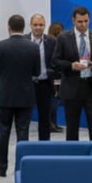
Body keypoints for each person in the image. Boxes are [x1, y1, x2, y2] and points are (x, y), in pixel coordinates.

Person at [0, 14, 40, 176]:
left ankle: (1, 168)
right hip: (25, 96)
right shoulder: (33, 47)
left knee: (3, 133)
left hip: (4, 96)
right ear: (24, 27)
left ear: (8, 27)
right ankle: (21, 168)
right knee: (23, 133)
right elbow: (37, 72)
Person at [52, 6, 92, 141]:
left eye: (86, 21)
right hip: (72, 89)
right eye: (80, 22)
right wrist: (71, 66)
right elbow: (55, 61)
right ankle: (73, 157)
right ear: (73, 21)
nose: (83, 24)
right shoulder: (63, 38)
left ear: (89, 20)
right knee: (72, 128)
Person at [28, 13, 58, 141]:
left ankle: (44, 145)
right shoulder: (24, 41)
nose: (38, 27)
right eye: (35, 24)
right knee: (24, 118)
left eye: (41, 25)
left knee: (45, 118)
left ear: (45, 26)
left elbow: (56, 62)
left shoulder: (52, 42)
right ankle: (24, 145)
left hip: (45, 84)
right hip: (27, 85)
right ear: (30, 25)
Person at [46, 22, 65, 133]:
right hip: (54, 75)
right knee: (54, 99)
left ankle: (53, 123)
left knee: (54, 100)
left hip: (53, 75)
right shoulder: (55, 44)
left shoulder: (49, 42)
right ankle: (51, 124)